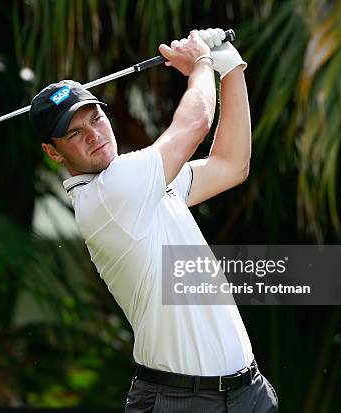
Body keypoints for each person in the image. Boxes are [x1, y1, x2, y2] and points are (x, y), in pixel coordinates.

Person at [29, 28, 278, 412]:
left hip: (248, 392)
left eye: (95, 118)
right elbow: (194, 125)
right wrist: (201, 63)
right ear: (53, 152)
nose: (94, 135)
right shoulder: (109, 193)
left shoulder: (143, 183)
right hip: (183, 400)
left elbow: (230, 165)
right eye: (75, 133)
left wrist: (232, 71)